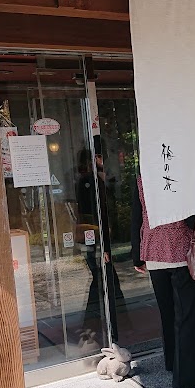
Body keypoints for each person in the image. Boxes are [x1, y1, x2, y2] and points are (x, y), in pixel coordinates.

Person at [131, 176, 195, 388]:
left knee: (167, 313)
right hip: (183, 253)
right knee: (186, 317)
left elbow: (136, 217)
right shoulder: (183, 175)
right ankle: (184, 379)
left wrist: (137, 256)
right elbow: (194, 216)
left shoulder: (142, 178)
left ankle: (172, 362)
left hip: (153, 253)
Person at [77, 143, 124, 343]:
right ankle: (96, 324)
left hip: (94, 237)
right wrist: (104, 243)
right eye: (99, 157)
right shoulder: (90, 182)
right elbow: (98, 213)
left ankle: (107, 322)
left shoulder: (90, 181)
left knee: (104, 279)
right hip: (96, 237)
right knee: (102, 279)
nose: (103, 161)